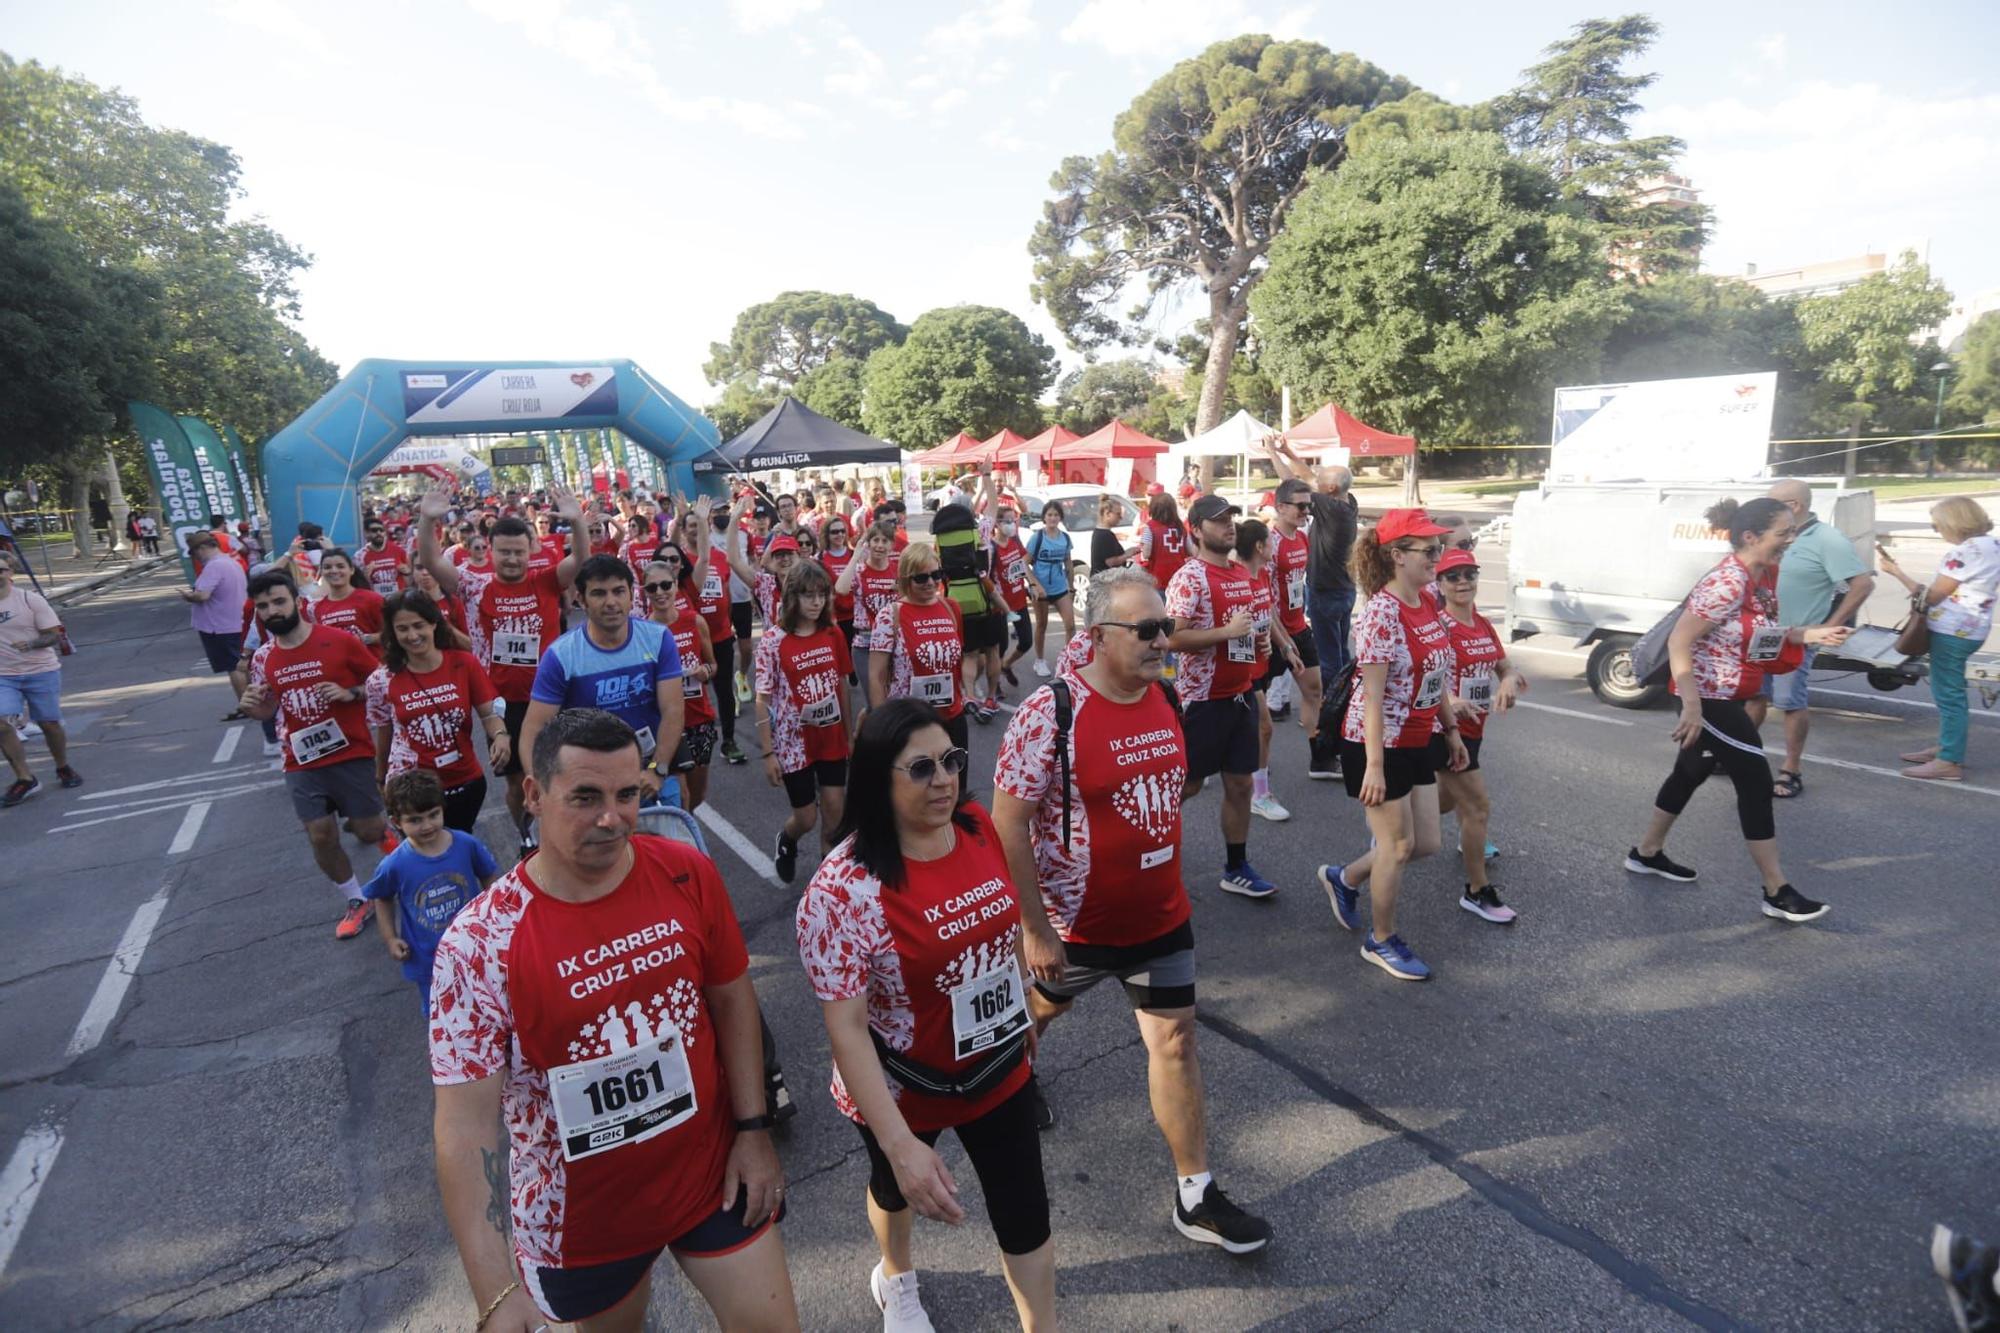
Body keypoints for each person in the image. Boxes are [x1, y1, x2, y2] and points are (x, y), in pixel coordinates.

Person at [430, 708, 799, 1333]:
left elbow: (733, 1000)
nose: (612, 818)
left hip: (710, 1176)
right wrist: (493, 1289)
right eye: (586, 797)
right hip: (582, 1225)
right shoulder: (477, 944)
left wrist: (755, 1130)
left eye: (627, 794)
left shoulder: (685, 871)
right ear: (533, 795)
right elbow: (465, 1129)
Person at [993, 567, 1273, 1254]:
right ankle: (1014, 1070)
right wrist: (1033, 927)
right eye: (1146, 630)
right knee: (1037, 1013)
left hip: (1160, 920)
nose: (1163, 641)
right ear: (1095, 637)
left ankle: (1195, 1191)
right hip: (1075, 930)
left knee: (1176, 1040)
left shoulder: (1169, 699)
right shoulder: (1051, 711)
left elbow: (1173, 792)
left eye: (1166, 626)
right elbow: (1008, 823)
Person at [796, 700, 1056, 1332]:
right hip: (903, 1089)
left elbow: (1003, 927)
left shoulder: (973, 823)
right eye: (920, 769)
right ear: (878, 780)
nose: (944, 779)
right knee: (894, 1190)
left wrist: (1022, 1007)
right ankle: (898, 1280)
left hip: (996, 1065)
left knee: (1026, 1210)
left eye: (951, 761)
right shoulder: (842, 891)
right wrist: (898, 1144)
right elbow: (848, 1029)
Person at [1625, 497, 1852, 923]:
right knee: (1754, 780)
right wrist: (1691, 707)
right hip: (1706, 697)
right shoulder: (1727, 582)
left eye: (1793, 530)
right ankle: (1776, 890)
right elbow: (1679, 641)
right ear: (1751, 536)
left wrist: (1811, 634)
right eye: (1783, 532)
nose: (1791, 539)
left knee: (1689, 772)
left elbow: (1759, 632)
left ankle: (1646, 852)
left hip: (1728, 693)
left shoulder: (1764, 575)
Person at [1315, 509, 1467, 981]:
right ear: (1397, 556)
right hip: (1375, 742)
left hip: (1418, 736)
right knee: (1397, 845)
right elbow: (1373, 695)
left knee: (1425, 843)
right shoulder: (1381, 612)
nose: (1437, 558)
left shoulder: (1427, 602)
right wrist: (1374, 768)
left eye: (1439, 549)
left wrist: (1452, 730)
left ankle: (1345, 876)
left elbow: (1436, 672)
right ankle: (1381, 940)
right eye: (1429, 551)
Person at [419, 482, 586, 834]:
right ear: (491, 552)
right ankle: (529, 837)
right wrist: (426, 518)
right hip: (500, 704)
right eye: (504, 552)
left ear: (531, 551)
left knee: (561, 772)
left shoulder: (546, 582)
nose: (512, 559)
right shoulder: (473, 586)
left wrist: (577, 522)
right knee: (517, 784)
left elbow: (582, 560)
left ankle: (566, 832)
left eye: (518, 552)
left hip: (552, 694)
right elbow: (432, 561)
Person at [239, 570, 389, 939]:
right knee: (320, 834)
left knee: (370, 830)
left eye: (278, 601)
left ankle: (402, 860)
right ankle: (356, 898)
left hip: (350, 751)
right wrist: (250, 706)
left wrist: (349, 693)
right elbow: (266, 710)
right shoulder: (262, 658)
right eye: (263, 607)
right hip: (300, 760)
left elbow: (383, 684)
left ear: (297, 601)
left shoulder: (339, 641)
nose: (272, 611)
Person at [1164, 495, 1274, 899]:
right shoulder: (1190, 578)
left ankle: (1236, 866)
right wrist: (1225, 634)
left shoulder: (1240, 574)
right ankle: (1148, 852)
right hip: (1201, 701)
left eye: (1230, 519)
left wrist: (1257, 639)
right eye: (1218, 520)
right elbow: (1171, 638)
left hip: (1240, 695)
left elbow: (1242, 627)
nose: (1229, 526)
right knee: (1188, 787)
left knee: (1241, 784)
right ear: (1195, 529)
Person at [520, 554, 684, 801]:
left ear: (632, 595)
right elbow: (533, 729)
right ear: (581, 600)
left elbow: (673, 709)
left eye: (619, 591)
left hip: (649, 775)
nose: (611, 602)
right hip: (589, 785)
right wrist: (543, 791)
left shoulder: (659, 639)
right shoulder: (561, 655)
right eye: (598, 593)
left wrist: (658, 770)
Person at [1752, 479, 1875, 797]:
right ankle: (1741, 753)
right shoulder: (1779, 536)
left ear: (1794, 506)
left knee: (1790, 703)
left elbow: (1862, 584)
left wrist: (1830, 626)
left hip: (1799, 637)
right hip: (1764, 634)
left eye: (1771, 503)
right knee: (1754, 698)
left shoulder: (1827, 539)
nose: (1765, 509)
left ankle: (1791, 769)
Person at [1430, 548, 1527, 923]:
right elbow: (1430, 677)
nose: (1463, 582)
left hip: (1475, 728)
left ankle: (1396, 829)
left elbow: (1504, 666)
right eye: (1453, 576)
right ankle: (1475, 891)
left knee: (1442, 800)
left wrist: (1507, 681)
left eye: (1469, 573)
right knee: (1476, 807)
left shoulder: (1483, 624)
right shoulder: (1439, 627)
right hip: (1446, 730)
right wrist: (1452, 700)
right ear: (1439, 584)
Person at [366, 590, 508, 833]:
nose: (412, 636)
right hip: (409, 785)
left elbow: (488, 713)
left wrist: (501, 736)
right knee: (425, 857)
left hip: (463, 777)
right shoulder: (380, 680)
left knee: (460, 846)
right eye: (402, 629)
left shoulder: (464, 663)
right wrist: (381, 778)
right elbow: (384, 732)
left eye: (418, 625)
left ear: (434, 623)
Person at [1880, 496, 1999, 782]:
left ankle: (1948, 760)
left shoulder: (1963, 552)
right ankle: (1947, 747)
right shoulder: (1993, 544)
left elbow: (1930, 596)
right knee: (1951, 692)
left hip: (1951, 630)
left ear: (1954, 522)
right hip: (1973, 628)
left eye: (1937, 525)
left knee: (1949, 696)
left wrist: (1896, 572)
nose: (1937, 530)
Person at [755, 560, 856, 884]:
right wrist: (768, 753)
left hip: (830, 740)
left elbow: (841, 685)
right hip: (793, 744)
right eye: (807, 595)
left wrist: (848, 734)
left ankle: (830, 888)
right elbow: (763, 698)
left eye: (821, 595)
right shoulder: (773, 641)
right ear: (792, 598)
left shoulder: (832, 633)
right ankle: (787, 840)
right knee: (807, 818)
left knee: (835, 815)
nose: (815, 602)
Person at [365, 769, 498, 1014]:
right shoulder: (395, 864)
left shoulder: (466, 845)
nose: (426, 825)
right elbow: (381, 897)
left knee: (486, 1004)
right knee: (444, 1014)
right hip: (428, 958)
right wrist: (390, 938)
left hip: (474, 947)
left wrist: (495, 917)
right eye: (415, 820)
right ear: (397, 822)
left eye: (433, 815)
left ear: (442, 809)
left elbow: (489, 875)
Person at [1261, 435, 1357, 715]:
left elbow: (1291, 484)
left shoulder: (1330, 509)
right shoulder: (1347, 501)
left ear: (1327, 489)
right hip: (1344, 590)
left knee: (1330, 659)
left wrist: (1272, 453)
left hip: (1326, 593)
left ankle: (1334, 710)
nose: (1304, 509)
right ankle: (1345, 703)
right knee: (1340, 652)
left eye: (1306, 506)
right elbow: (1308, 477)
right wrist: (1288, 449)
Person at [869, 545, 970, 783]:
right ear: (905, 578)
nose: (931, 582)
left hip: (952, 716)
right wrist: (883, 728)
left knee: (955, 791)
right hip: (910, 722)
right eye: (921, 577)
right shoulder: (890, 615)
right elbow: (876, 676)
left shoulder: (950, 607)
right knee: (919, 794)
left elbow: (958, 660)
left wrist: (969, 694)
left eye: (936, 575)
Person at [1233, 519, 1303, 823]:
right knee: (1265, 727)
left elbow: (1269, 613)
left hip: (1261, 663)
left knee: (1247, 731)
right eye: (1270, 543)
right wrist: (1251, 642)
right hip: (1241, 669)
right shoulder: (1235, 580)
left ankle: (1250, 777)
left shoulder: (1261, 574)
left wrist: (1286, 645)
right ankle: (1259, 796)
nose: (1274, 547)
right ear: (1260, 547)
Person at [0, 556, 80, 807]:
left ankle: (62, 766)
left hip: (40, 671)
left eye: (0, 569)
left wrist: (31, 644)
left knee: (49, 724)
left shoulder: (29, 599)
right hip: (3, 675)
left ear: (9, 572)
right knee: (1, 723)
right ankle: (25, 778)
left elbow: (54, 635)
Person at [1266, 478, 1330, 778]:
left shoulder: (1302, 538)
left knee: (1314, 691)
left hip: (1298, 627)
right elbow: (1262, 596)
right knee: (1247, 703)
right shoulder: (1269, 542)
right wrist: (1280, 639)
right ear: (1280, 507)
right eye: (1301, 506)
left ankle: (1320, 759)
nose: (1307, 511)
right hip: (1271, 633)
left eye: (1310, 506)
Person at [646, 549, 719, 811]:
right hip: (668, 724)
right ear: (646, 592)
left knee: (697, 795)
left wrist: (705, 672)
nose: (660, 592)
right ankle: (684, 846)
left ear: (676, 585)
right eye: (652, 587)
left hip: (700, 717)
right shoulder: (646, 632)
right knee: (682, 794)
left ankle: (685, 836)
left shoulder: (695, 621)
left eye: (665, 585)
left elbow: (714, 664)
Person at [837, 519, 902, 709]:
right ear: (869, 543)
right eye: (875, 540)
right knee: (875, 703)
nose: (880, 546)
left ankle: (864, 731)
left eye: (885, 541)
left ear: (892, 544)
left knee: (894, 701)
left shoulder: (897, 571)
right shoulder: (859, 571)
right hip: (865, 646)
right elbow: (840, 589)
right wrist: (856, 554)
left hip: (894, 645)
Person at [179, 531, 249, 693]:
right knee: (243, 664)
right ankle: (253, 702)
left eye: (194, 552)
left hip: (219, 626)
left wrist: (189, 597)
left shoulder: (214, 566)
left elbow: (203, 595)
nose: (195, 557)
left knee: (234, 667)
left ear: (202, 548)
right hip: (235, 621)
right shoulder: (231, 562)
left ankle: (245, 705)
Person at [1024, 502, 1075, 678]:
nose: (1053, 518)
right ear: (1044, 517)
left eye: (1056, 515)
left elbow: (1068, 562)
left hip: (1060, 586)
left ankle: (1068, 659)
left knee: (1070, 625)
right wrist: (1034, 585)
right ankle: (1039, 661)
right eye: (1049, 515)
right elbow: (1024, 563)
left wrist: (1071, 586)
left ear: (1060, 517)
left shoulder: (1065, 538)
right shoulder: (1037, 538)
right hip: (1041, 588)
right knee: (1042, 625)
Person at [305, 549, 387, 657]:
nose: (334, 571)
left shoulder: (372, 599)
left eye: (340, 566)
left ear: (351, 570)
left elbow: (392, 634)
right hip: (338, 671)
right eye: (327, 567)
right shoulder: (315, 608)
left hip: (372, 669)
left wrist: (364, 639)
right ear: (321, 572)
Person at [1136, 491, 1189, 591]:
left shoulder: (1150, 527)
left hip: (1159, 579)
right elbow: (1191, 550)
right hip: (1179, 578)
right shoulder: (1180, 527)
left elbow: (1146, 553)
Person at [358, 517, 411, 596]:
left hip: (398, 599)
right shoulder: (359, 556)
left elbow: (410, 582)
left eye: (381, 530)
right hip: (376, 600)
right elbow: (359, 587)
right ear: (366, 533)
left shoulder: (399, 551)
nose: (379, 533)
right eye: (374, 530)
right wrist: (366, 577)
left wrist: (407, 573)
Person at [1088, 494, 1131, 575]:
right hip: (1104, 581)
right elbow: (1111, 562)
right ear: (1107, 514)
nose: (1120, 518)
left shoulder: (1100, 532)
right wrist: (1128, 554)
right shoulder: (1105, 535)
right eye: (1118, 514)